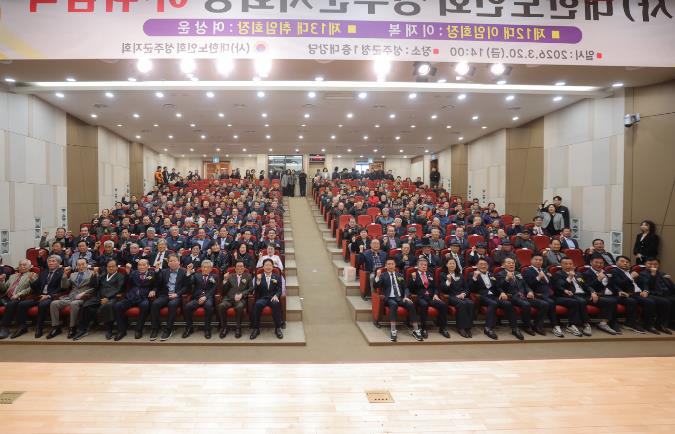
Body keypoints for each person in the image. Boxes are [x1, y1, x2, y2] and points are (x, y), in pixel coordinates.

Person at [470, 258, 524, 341]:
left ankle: (515, 328)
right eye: (481, 264)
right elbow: (470, 288)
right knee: (493, 303)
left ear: (488, 266)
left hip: (493, 296)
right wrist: (474, 277)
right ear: (476, 265)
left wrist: (502, 292)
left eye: (485, 264)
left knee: (508, 304)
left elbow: (497, 286)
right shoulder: (472, 274)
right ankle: (488, 328)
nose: (483, 266)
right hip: (481, 296)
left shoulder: (491, 275)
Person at [12, 255, 64, 339]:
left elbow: (61, 288)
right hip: (39, 295)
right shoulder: (44, 273)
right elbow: (36, 288)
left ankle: (39, 327)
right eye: (49, 261)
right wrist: (32, 280)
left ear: (58, 263)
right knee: (22, 304)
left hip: (51, 296)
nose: (51, 263)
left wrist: (48, 296)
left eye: (53, 261)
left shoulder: (61, 272)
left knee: (42, 304)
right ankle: (22, 327)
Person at [73, 259, 125, 341]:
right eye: (109, 267)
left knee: (108, 305)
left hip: (112, 297)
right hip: (99, 296)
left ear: (116, 267)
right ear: (106, 267)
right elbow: (94, 285)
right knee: (86, 305)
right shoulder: (103, 275)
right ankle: (82, 329)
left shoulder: (120, 276)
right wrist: (95, 275)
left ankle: (109, 330)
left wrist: (107, 298)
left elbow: (119, 288)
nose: (111, 268)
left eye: (113, 266)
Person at [374, 258, 424, 342]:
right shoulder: (383, 275)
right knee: (393, 304)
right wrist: (377, 276)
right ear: (386, 266)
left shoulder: (399, 275)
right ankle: (393, 330)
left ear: (395, 265)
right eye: (389, 264)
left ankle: (416, 330)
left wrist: (406, 296)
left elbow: (405, 288)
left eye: (392, 264)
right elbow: (376, 286)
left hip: (400, 298)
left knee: (410, 304)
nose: (391, 266)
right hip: (389, 298)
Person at [496, 258, 547, 337]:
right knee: (526, 304)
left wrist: (530, 291)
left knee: (544, 304)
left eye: (513, 263)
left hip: (524, 296)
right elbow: (499, 287)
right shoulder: (500, 274)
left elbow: (525, 285)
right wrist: (506, 279)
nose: (511, 264)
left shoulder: (518, 273)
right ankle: (527, 326)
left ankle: (537, 325)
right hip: (512, 297)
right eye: (509, 263)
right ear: (503, 265)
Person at [48, 258, 96, 339]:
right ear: (76, 266)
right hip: (71, 297)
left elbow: (94, 287)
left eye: (83, 264)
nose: (81, 266)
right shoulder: (73, 274)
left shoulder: (92, 273)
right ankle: (56, 327)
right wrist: (64, 275)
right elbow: (65, 286)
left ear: (87, 264)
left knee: (74, 304)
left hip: (84, 298)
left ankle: (72, 327)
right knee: (54, 303)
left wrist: (84, 293)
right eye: (79, 265)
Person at [611, 255, 660, 334]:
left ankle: (648, 324)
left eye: (627, 262)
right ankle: (630, 323)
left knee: (650, 302)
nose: (625, 263)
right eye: (622, 261)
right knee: (632, 301)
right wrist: (630, 277)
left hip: (638, 293)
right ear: (616, 263)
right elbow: (618, 284)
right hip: (624, 293)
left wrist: (646, 291)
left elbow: (644, 283)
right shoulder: (614, 271)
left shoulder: (632, 271)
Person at [522, 254, 563, 337]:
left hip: (549, 293)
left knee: (566, 300)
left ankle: (557, 323)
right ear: (531, 260)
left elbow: (550, 283)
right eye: (536, 259)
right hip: (537, 294)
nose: (538, 261)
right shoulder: (527, 270)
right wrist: (538, 278)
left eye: (540, 260)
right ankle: (549, 325)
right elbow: (528, 284)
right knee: (550, 303)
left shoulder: (545, 270)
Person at [151, 254, 190, 341]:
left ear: (179, 262)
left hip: (177, 295)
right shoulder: (164, 271)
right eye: (171, 261)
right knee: (155, 304)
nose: (173, 262)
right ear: (168, 263)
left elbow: (186, 287)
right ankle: (155, 328)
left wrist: (177, 294)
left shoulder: (183, 272)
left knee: (172, 304)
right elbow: (157, 283)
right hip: (165, 294)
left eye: (175, 260)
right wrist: (157, 271)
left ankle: (168, 329)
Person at [113, 259, 155, 341]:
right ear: (137, 266)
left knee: (145, 305)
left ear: (148, 266)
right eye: (140, 265)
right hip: (132, 296)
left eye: (144, 265)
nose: (142, 267)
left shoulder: (152, 273)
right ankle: (121, 330)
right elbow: (125, 284)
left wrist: (153, 290)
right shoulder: (133, 273)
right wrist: (127, 273)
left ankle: (138, 329)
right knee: (118, 306)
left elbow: (156, 285)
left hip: (144, 297)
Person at [408, 257, 449, 338]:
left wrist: (435, 294)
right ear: (417, 266)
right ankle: (424, 328)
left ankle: (442, 328)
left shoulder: (430, 274)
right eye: (422, 265)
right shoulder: (414, 274)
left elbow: (435, 287)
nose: (424, 266)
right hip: (420, 297)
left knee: (443, 305)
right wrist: (413, 279)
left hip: (431, 297)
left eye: (425, 265)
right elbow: (410, 289)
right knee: (424, 304)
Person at [551, 258, 593, 337]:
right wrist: (570, 277)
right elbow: (560, 286)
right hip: (568, 295)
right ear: (561, 265)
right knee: (581, 301)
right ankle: (584, 323)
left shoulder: (578, 274)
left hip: (583, 294)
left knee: (605, 300)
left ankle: (604, 323)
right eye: (565, 264)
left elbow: (585, 285)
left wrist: (592, 292)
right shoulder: (558, 274)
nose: (568, 266)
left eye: (570, 264)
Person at [581, 253, 621, 335]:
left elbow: (613, 285)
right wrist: (598, 279)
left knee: (626, 299)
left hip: (608, 294)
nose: (599, 265)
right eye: (596, 262)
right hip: (592, 295)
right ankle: (604, 323)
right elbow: (587, 287)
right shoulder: (586, 273)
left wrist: (619, 291)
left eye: (601, 263)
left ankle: (613, 322)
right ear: (591, 262)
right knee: (611, 301)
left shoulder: (607, 272)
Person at [0, 259, 39, 340]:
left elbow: (31, 289)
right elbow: (4, 289)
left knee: (11, 303)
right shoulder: (13, 276)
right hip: (6, 297)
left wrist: (18, 294)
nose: (21, 266)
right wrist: (2, 281)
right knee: (9, 302)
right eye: (20, 265)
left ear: (30, 267)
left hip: (20, 298)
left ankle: (5, 328)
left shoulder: (32, 275)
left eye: (24, 265)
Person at [439, 257, 474, 338]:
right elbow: (443, 289)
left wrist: (463, 294)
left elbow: (466, 288)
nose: (452, 265)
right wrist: (448, 281)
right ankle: (461, 328)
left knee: (470, 303)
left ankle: (468, 327)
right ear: (446, 265)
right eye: (450, 263)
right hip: (451, 296)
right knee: (462, 304)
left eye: (454, 263)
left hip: (461, 296)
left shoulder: (460, 275)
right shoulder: (443, 275)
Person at [183, 260, 217, 339]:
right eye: (204, 267)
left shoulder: (214, 276)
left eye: (208, 267)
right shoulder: (196, 275)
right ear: (201, 268)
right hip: (197, 298)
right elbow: (189, 283)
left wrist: (205, 297)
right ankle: (189, 328)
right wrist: (188, 273)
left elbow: (214, 289)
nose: (205, 269)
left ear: (211, 269)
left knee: (209, 306)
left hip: (208, 298)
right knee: (187, 307)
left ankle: (207, 329)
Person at [250, 258, 284, 340]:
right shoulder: (259, 276)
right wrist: (258, 281)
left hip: (273, 297)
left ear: (272, 267)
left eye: (270, 265)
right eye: (266, 265)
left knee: (276, 304)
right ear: (263, 267)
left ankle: (278, 328)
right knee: (257, 304)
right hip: (263, 298)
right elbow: (256, 291)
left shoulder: (277, 277)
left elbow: (279, 289)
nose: (268, 267)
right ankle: (256, 328)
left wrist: (276, 295)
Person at [638, 258, 674, 333]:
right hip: (652, 293)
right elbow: (647, 286)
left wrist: (669, 280)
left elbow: (672, 287)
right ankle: (655, 324)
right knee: (665, 302)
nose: (653, 266)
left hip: (665, 293)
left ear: (659, 265)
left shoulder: (663, 274)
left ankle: (668, 323)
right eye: (650, 264)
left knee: (672, 299)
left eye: (655, 264)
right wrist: (653, 276)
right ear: (645, 264)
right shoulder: (642, 274)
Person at [219, 260, 253, 339]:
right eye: (238, 266)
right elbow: (223, 290)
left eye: (241, 266)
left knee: (239, 307)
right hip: (229, 298)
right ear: (235, 268)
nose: (240, 268)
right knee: (221, 306)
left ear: (244, 268)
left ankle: (238, 328)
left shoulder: (248, 276)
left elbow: (251, 288)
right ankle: (224, 327)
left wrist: (242, 294)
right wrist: (225, 280)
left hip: (241, 299)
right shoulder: (230, 276)